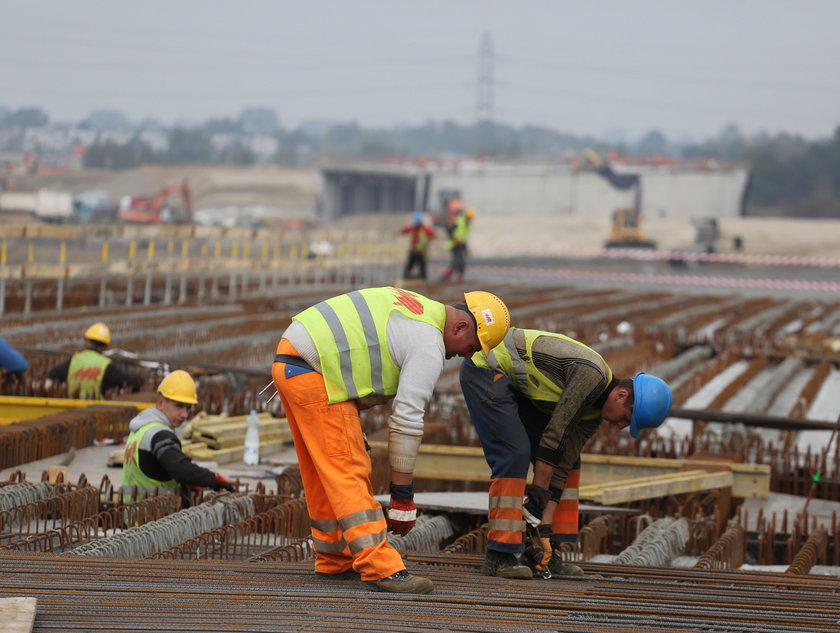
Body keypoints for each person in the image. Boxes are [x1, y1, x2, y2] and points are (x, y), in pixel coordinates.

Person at [270, 286, 510, 594]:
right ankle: (381, 567)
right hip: (315, 371)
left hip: (293, 362)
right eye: (474, 345)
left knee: (322, 470)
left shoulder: (418, 309)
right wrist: (402, 495)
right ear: (460, 326)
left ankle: (334, 558)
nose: (469, 355)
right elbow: (407, 421)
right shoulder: (428, 343)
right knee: (348, 467)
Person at [459, 327, 672, 580]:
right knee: (514, 454)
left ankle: (545, 548)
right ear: (621, 395)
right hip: (486, 369)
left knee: (570, 464)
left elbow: (562, 460)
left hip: (516, 387)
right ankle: (500, 555)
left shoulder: (594, 415)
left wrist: (543, 524)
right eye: (626, 418)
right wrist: (537, 500)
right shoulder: (590, 375)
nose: (621, 426)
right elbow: (555, 434)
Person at [121, 369, 235, 508]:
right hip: (155, 521)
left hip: (134, 517)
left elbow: (156, 469)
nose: (184, 415)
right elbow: (180, 469)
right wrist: (213, 479)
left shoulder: (141, 430)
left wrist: (191, 481)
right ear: (161, 402)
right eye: (179, 406)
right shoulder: (160, 434)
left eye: (188, 408)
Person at [47, 322, 142, 399]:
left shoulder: (73, 360)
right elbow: (134, 383)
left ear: (86, 342)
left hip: (70, 411)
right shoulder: (106, 366)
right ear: (105, 347)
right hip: (96, 414)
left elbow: (52, 374)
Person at [440, 205, 476, 283]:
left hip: (461, 244)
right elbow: (449, 229)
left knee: (459, 261)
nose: (471, 220)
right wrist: (454, 239)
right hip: (454, 244)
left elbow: (464, 236)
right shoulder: (459, 220)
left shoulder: (466, 223)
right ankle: (448, 275)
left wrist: (465, 247)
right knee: (457, 261)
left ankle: (456, 276)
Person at [401, 211, 435, 280]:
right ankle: (406, 278)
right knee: (409, 268)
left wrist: (429, 241)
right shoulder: (414, 228)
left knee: (422, 269)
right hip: (413, 251)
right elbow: (405, 230)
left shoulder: (424, 229)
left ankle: (423, 280)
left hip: (421, 252)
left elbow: (432, 234)